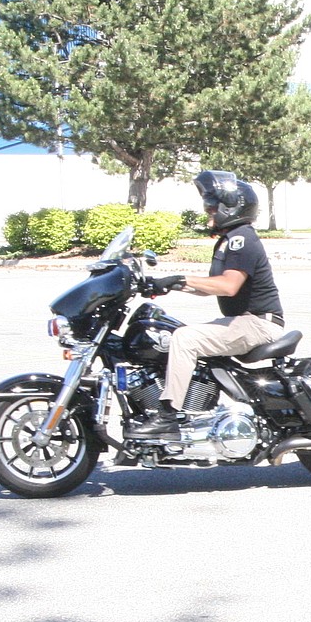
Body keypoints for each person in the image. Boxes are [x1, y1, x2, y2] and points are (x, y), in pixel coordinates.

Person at [128, 170, 285, 438]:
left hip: (258, 323)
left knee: (185, 338)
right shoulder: (229, 240)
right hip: (245, 322)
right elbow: (212, 285)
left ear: (231, 207)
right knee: (169, 332)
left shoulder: (241, 239)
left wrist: (180, 278)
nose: (207, 211)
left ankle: (169, 414)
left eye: (212, 206)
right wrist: (168, 285)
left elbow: (227, 285)